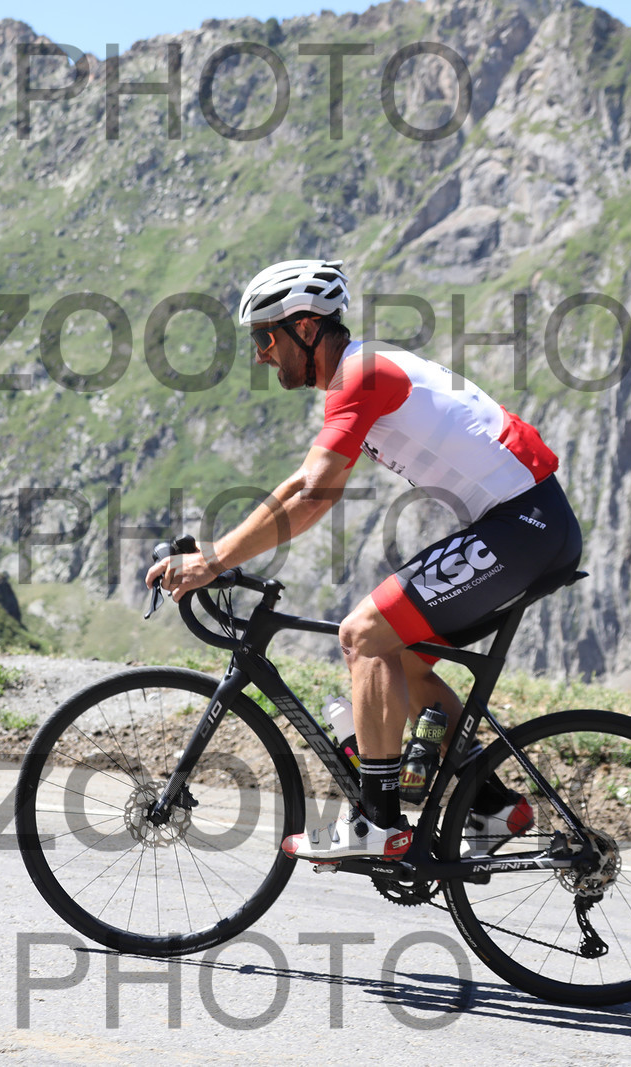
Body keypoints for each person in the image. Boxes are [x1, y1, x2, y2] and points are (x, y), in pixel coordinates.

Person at [145, 259, 583, 860]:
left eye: (265, 338)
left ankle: (378, 823)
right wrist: (214, 553)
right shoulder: (358, 374)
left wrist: (215, 561)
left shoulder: (362, 374)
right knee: (400, 657)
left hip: (525, 525)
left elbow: (312, 493)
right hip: (521, 523)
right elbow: (306, 490)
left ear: (304, 328)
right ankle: (494, 808)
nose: (260, 356)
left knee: (364, 633)